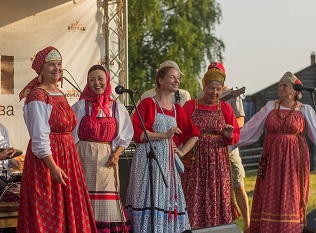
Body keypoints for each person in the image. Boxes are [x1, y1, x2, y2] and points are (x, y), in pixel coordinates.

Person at [17, 46, 97, 233]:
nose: (57, 68)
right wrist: (52, 167)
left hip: (68, 158)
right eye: (51, 65)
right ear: (41, 70)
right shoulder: (38, 95)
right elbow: (38, 138)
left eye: (59, 64)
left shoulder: (59, 93)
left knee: (71, 210)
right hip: (46, 162)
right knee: (49, 212)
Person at [234, 71, 316, 233]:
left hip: (294, 161)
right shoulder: (270, 106)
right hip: (272, 159)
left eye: (284, 85)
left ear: (295, 90)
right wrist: (230, 141)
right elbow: (251, 129)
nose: (280, 88)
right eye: (279, 85)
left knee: (290, 194)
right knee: (270, 192)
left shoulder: (305, 109)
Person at [126, 62, 200, 232]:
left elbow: (195, 134)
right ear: (160, 81)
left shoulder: (177, 110)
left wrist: (181, 152)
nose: (177, 81)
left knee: (166, 200)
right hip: (147, 160)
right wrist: (165, 136)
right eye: (172, 77)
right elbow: (139, 134)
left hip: (166, 164)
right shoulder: (148, 103)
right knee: (147, 199)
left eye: (178, 78)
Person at [72, 64, 134, 232]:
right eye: (92, 80)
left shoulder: (117, 107)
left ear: (107, 80)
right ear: (87, 83)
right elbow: (70, 135)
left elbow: (126, 134)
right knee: (85, 200)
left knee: (107, 204)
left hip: (107, 158)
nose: (96, 83)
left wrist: (117, 154)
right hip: (83, 158)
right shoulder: (80, 106)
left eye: (100, 79)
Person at [181, 67, 240, 229]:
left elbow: (235, 136)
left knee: (216, 194)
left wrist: (228, 134)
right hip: (194, 159)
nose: (214, 92)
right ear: (204, 87)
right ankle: (192, 229)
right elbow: (181, 129)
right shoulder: (190, 105)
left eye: (218, 89)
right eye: (211, 88)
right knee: (193, 194)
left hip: (217, 160)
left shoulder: (225, 108)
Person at [197, 62, 250, 232]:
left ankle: (248, 223)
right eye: (211, 71)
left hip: (229, 147)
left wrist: (229, 127)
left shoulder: (232, 94)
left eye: (217, 71)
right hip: (205, 150)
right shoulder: (200, 95)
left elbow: (241, 120)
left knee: (237, 183)